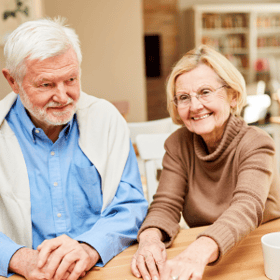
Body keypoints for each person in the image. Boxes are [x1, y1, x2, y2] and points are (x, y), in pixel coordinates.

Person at [1, 17, 148, 280]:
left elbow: (131, 205)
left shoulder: (106, 119)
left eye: (71, 79)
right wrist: (18, 258)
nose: (63, 96)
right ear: (13, 81)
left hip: (101, 269)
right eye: (46, 84)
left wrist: (89, 248)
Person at [131, 45, 280, 280]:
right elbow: (165, 206)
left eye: (205, 92)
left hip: (258, 251)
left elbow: (246, 207)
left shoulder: (256, 142)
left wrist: (197, 252)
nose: (195, 106)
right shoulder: (178, 144)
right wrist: (149, 239)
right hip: (208, 255)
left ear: (233, 96)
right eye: (183, 97)